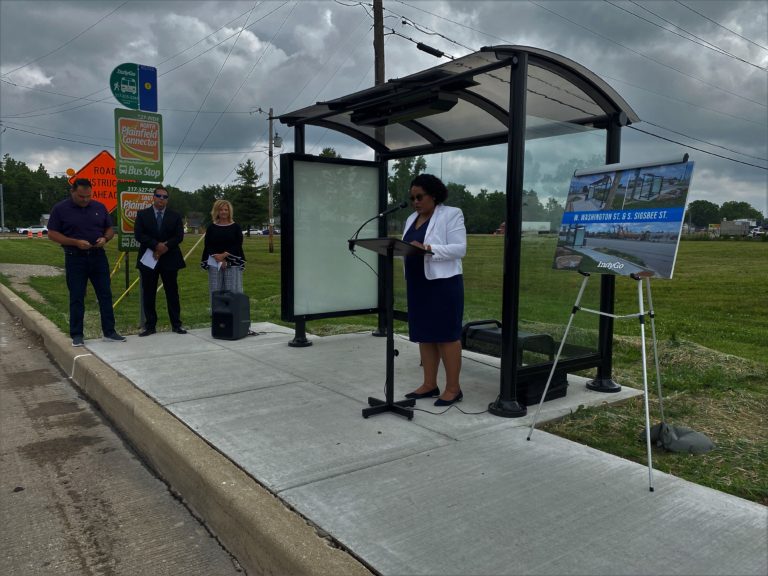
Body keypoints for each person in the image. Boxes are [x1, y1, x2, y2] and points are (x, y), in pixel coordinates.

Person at [401, 174, 467, 406]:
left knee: (446, 336)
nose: (415, 202)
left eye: (420, 197)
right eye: (412, 198)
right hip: (418, 284)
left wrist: (428, 248)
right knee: (425, 336)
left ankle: (453, 388)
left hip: (443, 284)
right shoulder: (411, 219)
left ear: (434, 195)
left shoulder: (451, 214)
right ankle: (429, 384)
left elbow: (460, 249)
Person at [47, 178, 126, 347]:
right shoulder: (60, 209)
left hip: (98, 256)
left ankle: (110, 332)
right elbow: (52, 234)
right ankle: (77, 334)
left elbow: (110, 229)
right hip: (75, 257)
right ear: (72, 192)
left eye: (88, 196)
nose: (85, 200)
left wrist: (105, 238)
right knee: (77, 295)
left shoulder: (99, 207)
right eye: (81, 196)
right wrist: (75, 242)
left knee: (105, 294)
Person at [134, 185, 187, 336]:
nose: (161, 199)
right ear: (153, 197)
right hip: (149, 258)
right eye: (159, 196)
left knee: (172, 292)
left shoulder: (175, 215)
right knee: (149, 293)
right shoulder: (143, 214)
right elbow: (139, 235)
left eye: (165, 197)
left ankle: (176, 324)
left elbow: (179, 236)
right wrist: (156, 245)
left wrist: (165, 246)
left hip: (170, 258)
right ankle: (150, 326)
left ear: (167, 200)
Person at [200, 199, 246, 304]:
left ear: (229, 211)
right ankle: (216, 313)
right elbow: (208, 244)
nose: (224, 212)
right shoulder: (211, 227)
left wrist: (225, 255)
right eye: (221, 210)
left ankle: (233, 313)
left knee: (232, 289)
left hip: (232, 261)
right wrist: (218, 257)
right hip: (214, 261)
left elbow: (238, 243)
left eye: (226, 210)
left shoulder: (236, 227)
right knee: (215, 289)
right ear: (216, 211)